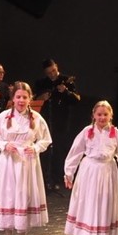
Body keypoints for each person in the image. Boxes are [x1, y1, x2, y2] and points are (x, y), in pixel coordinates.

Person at [62, 100, 118, 235]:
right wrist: (69, 173)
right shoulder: (87, 131)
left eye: (105, 114)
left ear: (110, 116)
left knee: (104, 205)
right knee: (88, 203)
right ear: (94, 115)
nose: (102, 117)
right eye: (99, 114)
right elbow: (75, 152)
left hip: (107, 172)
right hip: (89, 171)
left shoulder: (115, 133)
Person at [0, 81, 52, 235]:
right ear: (13, 98)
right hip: (9, 162)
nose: (21, 100)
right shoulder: (3, 117)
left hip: (27, 163)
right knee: (9, 195)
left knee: (25, 195)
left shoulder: (36, 118)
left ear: (30, 98)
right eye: (18, 97)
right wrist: (4, 145)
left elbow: (45, 139)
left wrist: (35, 148)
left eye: (24, 97)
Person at [34, 59, 81, 191]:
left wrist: (65, 91)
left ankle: (55, 180)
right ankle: (43, 180)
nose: (52, 74)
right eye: (49, 73)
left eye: (54, 71)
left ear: (57, 67)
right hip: (45, 120)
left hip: (61, 121)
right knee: (44, 151)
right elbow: (34, 99)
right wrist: (41, 98)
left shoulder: (66, 80)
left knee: (58, 151)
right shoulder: (41, 83)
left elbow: (76, 100)